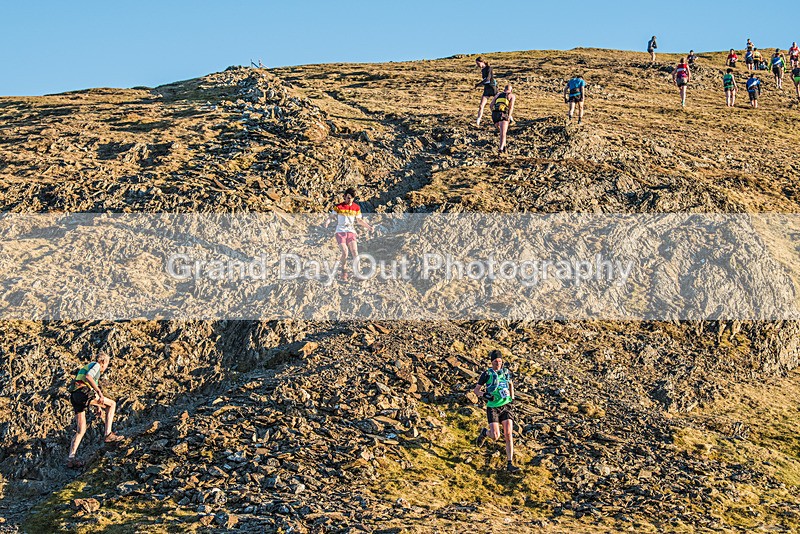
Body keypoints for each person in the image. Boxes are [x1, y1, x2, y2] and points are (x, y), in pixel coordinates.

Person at [67, 354, 124, 468]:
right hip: (83, 392)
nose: (106, 367)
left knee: (81, 430)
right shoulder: (96, 365)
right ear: (104, 362)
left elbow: (90, 387)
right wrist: (99, 392)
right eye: (107, 364)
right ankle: (108, 434)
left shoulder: (90, 368)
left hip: (75, 395)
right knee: (112, 404)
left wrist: (98, 406)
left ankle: (71, 458)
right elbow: (88, 377)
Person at [473, 350, 521, 474]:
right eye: (495, 361)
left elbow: (510, 384)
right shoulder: (486, 374)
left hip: (506, 406)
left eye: (500, 361)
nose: (498, 364)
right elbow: (476, 390)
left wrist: (512, 398)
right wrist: (486, 395)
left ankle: (510, 463)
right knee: (495, 436)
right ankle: (485, 432)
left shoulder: (505, 373)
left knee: (508, 433)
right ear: (491, 362)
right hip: (493, 407)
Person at [324, 188, 373, 282]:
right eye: (347, 198)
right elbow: (331, 216)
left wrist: (369, 227)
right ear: (344, 197)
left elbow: (359, 220)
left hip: (351, 231)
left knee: (355, 251)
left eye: (351, 198)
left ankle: (358, 274)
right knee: (345, 252)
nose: (349, 200)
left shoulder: (356, 207)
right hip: (340, 231)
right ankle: (344, 270)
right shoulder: (338, 206)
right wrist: (327, 222)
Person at [490, 84, 515, 153]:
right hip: (503, 114)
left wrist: (493, 112)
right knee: (503, 133)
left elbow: (491, 105)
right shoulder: (511, 96)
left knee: (502, 131)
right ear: (511, 90)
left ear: (504, 89)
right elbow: (511, 107)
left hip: (495, 114)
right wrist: (509, 116)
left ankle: (504, 147)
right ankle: (501, 148)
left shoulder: (498, 94)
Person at [474, 57, 497, 127]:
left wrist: (478, 84)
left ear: (482, 62)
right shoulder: (483, 70)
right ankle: (477, 122)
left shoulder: (489, 68)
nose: (477, 65)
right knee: (481, 105)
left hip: (492, 87)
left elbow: (488, 78)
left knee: (497, 105)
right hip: (486, 88)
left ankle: (509, 118)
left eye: (478, 63)